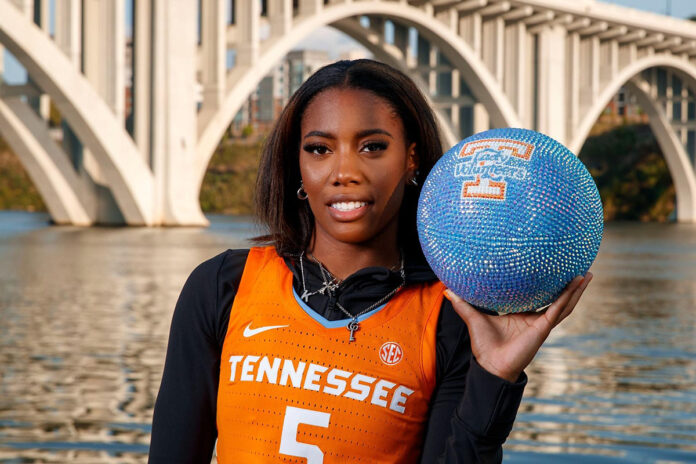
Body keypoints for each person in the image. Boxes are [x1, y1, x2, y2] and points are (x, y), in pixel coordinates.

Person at [148, 59, 591, 464]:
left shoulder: (451, 318)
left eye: (373, 147)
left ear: (412, 157)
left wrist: (493, 376)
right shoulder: (223, 286)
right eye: (320, 149)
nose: (344, 171)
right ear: (296, 163)